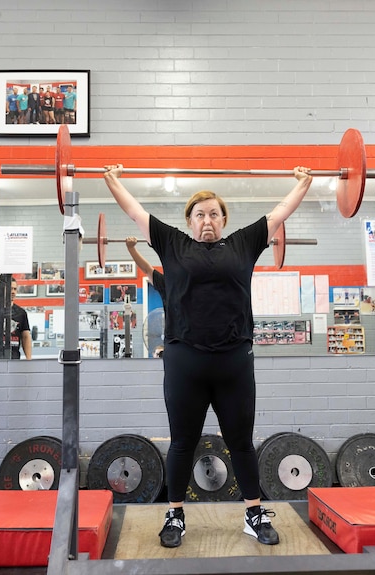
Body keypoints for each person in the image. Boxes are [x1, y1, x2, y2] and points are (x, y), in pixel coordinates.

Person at [104, 163, 313, 548]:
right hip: (185, 361)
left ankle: (254, 513)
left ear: (224, 219)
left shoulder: (244, 243)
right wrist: (112, 180)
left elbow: (281, 211)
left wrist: (303, 183)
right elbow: (134, 210)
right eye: (199, 214)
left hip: (234, 360)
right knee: (183, 442)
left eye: (214, 213)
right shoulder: (171, 244)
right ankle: (175, 515)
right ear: (188, 220)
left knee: (242, 442)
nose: (207, 220)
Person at [125, 236, 165, 301]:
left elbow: (147, 269)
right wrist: (131, 248)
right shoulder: (167, 284)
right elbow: (147, 269)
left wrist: (131, 248)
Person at [9, 279, 32, 359]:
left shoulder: (21, 313)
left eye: (15, 289)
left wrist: (29, 359)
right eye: (10, 288)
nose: (13, 292)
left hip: (14, 358)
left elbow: (26, 336)